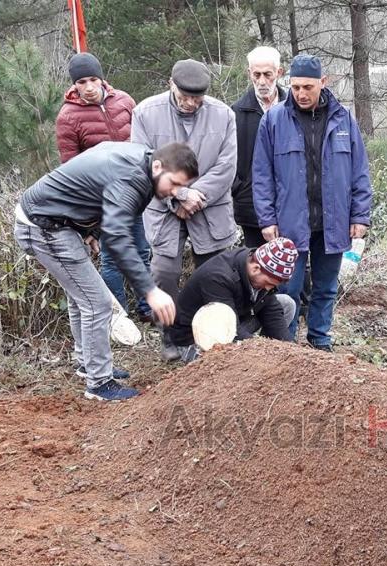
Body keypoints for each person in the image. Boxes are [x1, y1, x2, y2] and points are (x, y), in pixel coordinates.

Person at [14, 142, 199, 401]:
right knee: (97, 303)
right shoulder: (132, 178)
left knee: (81, 297)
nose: (176, 193)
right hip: (43, 226)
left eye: (182, 187)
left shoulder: (143, 161)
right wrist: (150, 291)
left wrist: (89, 230)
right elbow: (118, 238)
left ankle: (86, 363)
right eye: (175, 183)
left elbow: (95, 188)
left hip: (55, 220)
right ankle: (99, 383)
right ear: (158, 166)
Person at [252, 54, 372, 352]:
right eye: (295, 87)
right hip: (291, 222)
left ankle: (319, 339)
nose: (301, 94)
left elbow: (359, 171)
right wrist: (267, 219)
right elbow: (262, 174)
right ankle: (286, 343)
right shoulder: (274, 120)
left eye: (308, 87)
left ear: (323, 82)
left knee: (326, 286)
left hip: (334, 220)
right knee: (288, 287)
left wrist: (360, 216)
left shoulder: (343, 119)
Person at [131, 59, 238, 357]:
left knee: (214, 275)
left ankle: (211, 339)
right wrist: (178, 195)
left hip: (210, 208)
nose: (191, 103)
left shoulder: (224, 115)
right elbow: (144, 164)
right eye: (185, 96)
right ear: (171, 84)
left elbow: (227, 166)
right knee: (164, 273)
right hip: (163, 208)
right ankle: (171, 335)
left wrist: (196, 196)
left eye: (197, 98)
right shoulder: (145, 113)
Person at [54, 53, 152, 322]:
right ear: (74, 85)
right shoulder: (68, 117)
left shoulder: (124, 101)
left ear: (101, 78)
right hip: (103, 200)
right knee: (111, 259)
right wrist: (86, 216)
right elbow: (71, 168)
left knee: (142, 250)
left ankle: (147, 310)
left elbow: (143, 143)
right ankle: (118, 317)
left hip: (135, 191)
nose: (88, 87)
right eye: (81, 82)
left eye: (93, 79)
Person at [164, 238, 298, 361]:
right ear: (256, 268)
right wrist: (260, 350)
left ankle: (264, 357)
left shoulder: (255, 266)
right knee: (228, 366)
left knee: (286, 303)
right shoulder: (217, 277)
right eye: (268, 283)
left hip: (235, 320)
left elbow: (271, 312)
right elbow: (227, 328)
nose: (268, 288)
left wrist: (292, 352)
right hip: (196, 337)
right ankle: (257, 359)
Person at [231, 46, 287, 248]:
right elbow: (228, 158)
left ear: (279, 73)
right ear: (249, 74)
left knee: (292, 261)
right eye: (257, 75)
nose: (262, 81)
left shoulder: (294, 109)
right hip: (250, 206)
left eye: (267, 74)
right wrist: (239, 187)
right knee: (256, 262)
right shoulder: (236, 113)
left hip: (291, 204)